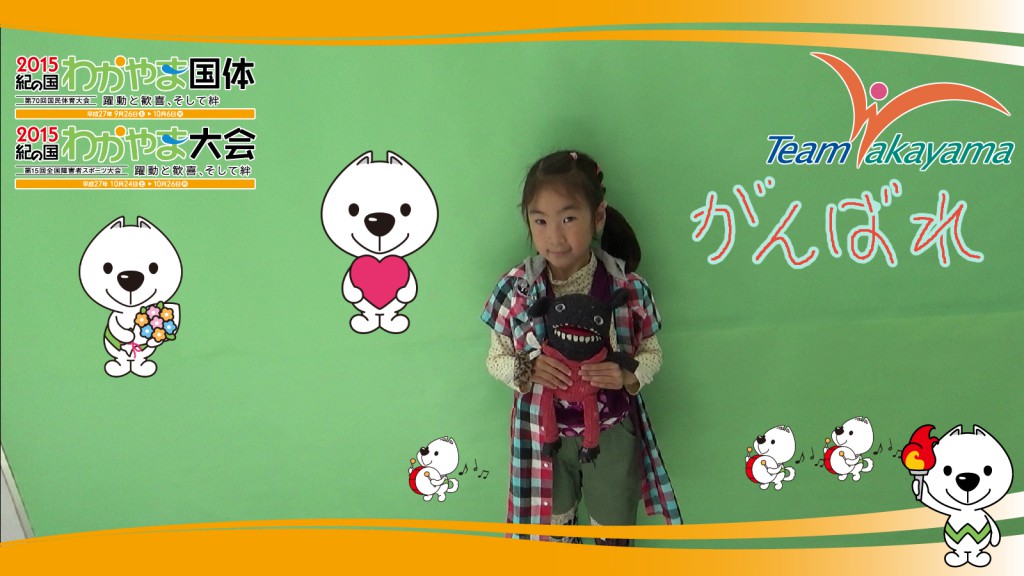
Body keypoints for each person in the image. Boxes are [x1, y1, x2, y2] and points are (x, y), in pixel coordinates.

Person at [481, 150, 682, 545]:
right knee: (552, 534)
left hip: (610, 431)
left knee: (613, 535)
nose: (554, 236)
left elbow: (652, 353)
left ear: (598, 216)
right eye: (540, 221)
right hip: (543, 434)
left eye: (568, 218)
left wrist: (627, 374)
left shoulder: (628, 288)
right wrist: (525, 369)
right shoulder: (516, 289)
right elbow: (495, 359)